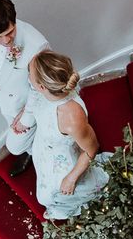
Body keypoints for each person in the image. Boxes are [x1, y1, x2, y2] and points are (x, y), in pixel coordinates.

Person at [19, 50, 109, 219]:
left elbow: (91, 149)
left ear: (42, 87)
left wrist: (71, 178)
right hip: (46, 146)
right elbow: (34, 102)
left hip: (64, 160)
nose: (28, 77)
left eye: (29, 73)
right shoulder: (43, 91)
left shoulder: (71, 117)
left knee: (48, 196)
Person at [0, 0, 49, 176]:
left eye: (10, 32)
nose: (6, 41)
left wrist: (26, 118)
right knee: (26, 144)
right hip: (8, 106)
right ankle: (31, 153)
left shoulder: (36, 44)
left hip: (31, 107)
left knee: (16, 147)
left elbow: (42, 87)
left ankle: (43, 159)